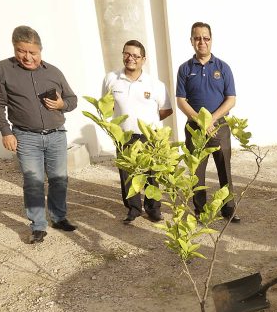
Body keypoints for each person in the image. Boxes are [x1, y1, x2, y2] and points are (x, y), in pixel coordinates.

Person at [0, 25, 78, 244]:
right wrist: (6, 132)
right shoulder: (1, 69)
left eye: (33, 53)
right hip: (26, 136)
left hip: (56, 134)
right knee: (33, 181)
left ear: (40, 50)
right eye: (21, 51)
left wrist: (61, 104)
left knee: (59, 180)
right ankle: (38, 226)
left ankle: (59, 217)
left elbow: (72, 100)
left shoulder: (53, 71)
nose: (27, 57)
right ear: (14, 48)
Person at [103, 40, 173, 224]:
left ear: (143, 59)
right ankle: (133, 209)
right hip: (123, 136)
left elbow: (166, 109)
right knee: (127, 175)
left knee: (151, 173)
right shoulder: (111, 79)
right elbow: (106, 105)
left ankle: (153, 209)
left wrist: (149, 123)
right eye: (127, 54)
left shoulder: (155, 84)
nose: (130, 58)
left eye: (135, 55)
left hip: (148, 136)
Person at [175, 22, 240, 223]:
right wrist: (201, 121)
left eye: (205, 38)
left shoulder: (223, 67)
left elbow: (231, 99)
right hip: (195, 129)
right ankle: (200, 211)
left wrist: (210, 120)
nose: (201, 42)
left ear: (211, 40)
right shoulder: (185, 69)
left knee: (224, 170)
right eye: (197, 38)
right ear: (191, 41)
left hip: (219, 127)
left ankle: (228, 209)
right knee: (197, 173)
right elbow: (181, 101)